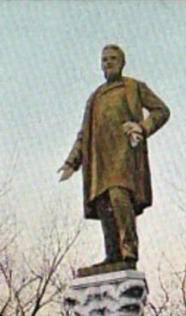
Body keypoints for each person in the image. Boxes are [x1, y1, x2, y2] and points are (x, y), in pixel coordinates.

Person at [58, 45, 170, 267]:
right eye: (104, 59)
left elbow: (161, 111)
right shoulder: (95, 97)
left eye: (113, 58)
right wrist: (72, 161)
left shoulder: (134, 87)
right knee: (103, 205)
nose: (108, 62)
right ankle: (112, 255)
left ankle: (129, 252)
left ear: (122, 62)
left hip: (124, 158)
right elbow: (84, 134)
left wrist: (142, 127)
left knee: (120, 198)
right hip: (99, 162)